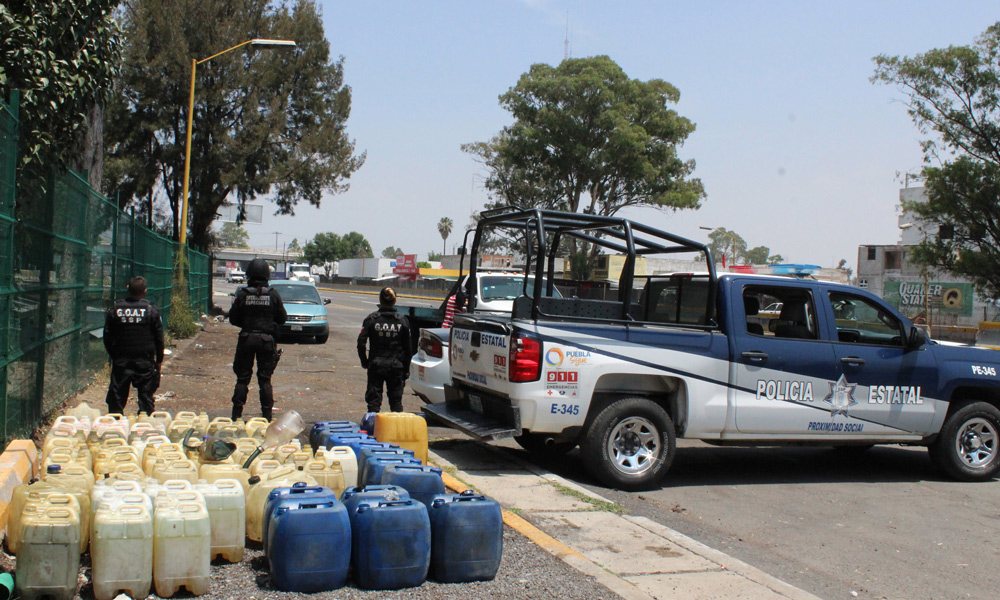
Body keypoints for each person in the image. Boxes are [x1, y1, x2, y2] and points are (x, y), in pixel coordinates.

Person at [229, 258, 287, 420]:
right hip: (266, 341)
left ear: (250, 275)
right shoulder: (273, 295)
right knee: (265, 380)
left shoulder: (243, 295)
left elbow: (233, 319)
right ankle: (267, 416)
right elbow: (282, 318)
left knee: (242, 379)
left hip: (246, 339)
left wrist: (248, 325)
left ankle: (236, 415)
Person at [103, 275, 164, 415]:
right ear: (145, 291)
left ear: (127, 289)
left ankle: (114, 427)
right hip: (145, 362)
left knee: (116, 399)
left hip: (121, 361)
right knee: (146, 398)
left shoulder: (116, 309)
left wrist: (114, 356)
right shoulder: (151, 310)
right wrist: (159, 361)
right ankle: (145, 426)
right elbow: (159, 339)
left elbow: (107, 336)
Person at [357, 287, 411, 413]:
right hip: (396, 366)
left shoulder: (371, 319)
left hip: (376, 365)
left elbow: (361, 343)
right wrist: (406, 370)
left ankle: (373, 428)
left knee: (373, 403)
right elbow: (408, 348)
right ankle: (396, 430)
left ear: (380, 300)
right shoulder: (402, 321)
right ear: (395, 300)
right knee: (396, 403)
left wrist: (364, 361)